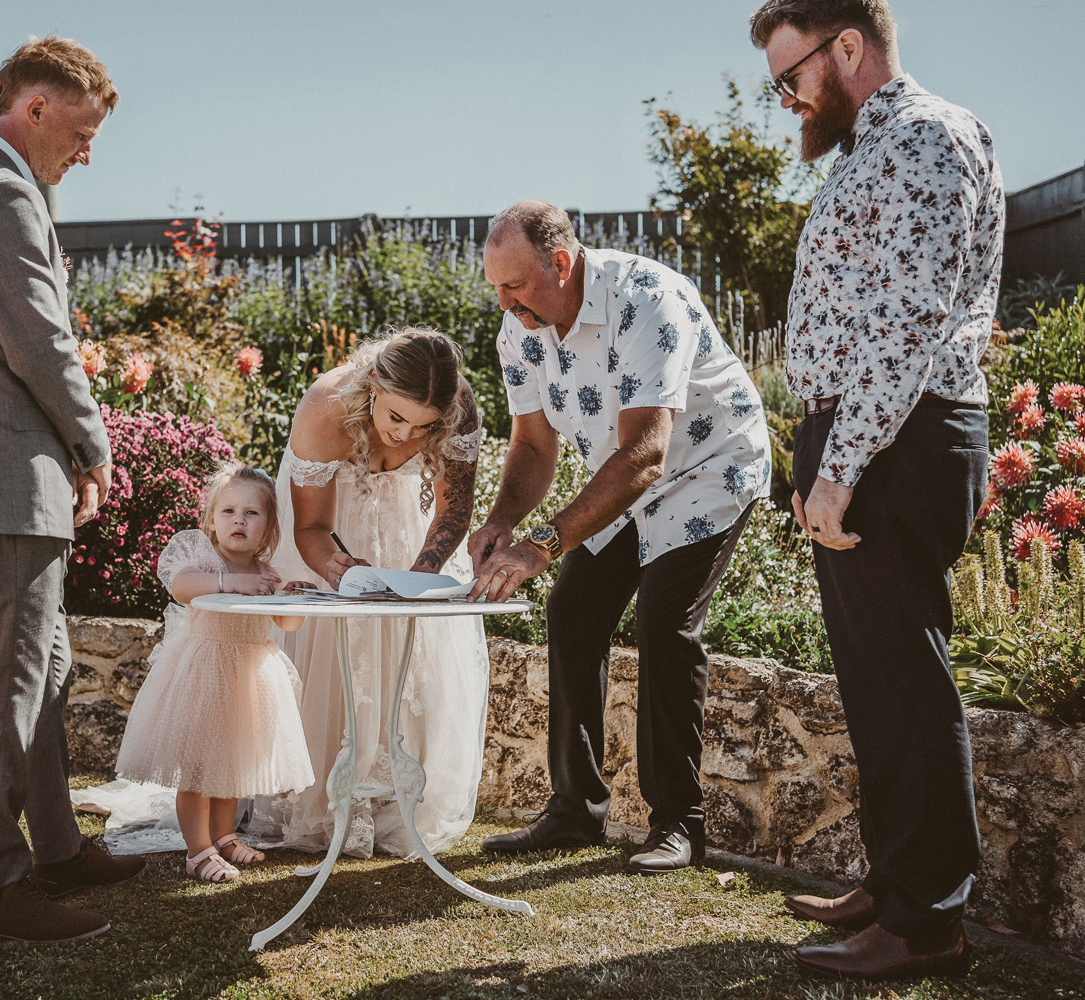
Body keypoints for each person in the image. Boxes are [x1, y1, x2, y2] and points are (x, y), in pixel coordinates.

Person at [749, 0, 1002, 979]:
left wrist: (841, 467)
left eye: (790, 75)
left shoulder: (927, 139)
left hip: (896, 440)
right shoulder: (872, 147)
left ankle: (928, 920)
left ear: (845, 46)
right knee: (875, 680)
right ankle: (897, 882)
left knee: (904, 677)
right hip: (869, 434)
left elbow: (906, 321)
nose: (786, 99)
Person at [0, 35, 144, 943]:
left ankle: (56, 847)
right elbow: (41, 344)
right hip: (5, 479)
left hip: (8, 476)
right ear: (35, 109)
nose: (87, 152)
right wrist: (95, 449)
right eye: (82, 132)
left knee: (40, 672)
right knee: (10, 686)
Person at [469, 201, 771, 874]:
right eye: (495, 285)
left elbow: (648, 454)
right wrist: (502, 523)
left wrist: (542, 545)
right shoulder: (520, 330)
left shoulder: (646, 298)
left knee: (664, 621)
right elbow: (531, 446)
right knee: (573, 610)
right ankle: (576, 811)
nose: (503, 301)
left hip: (708, 469)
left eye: (513, 284)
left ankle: (678, 826)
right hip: (624, 476)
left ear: (562, 263)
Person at [246, 327, 488, 858]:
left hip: (405, 522)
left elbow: (453, 509)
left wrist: (419, 578)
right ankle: (322, 795)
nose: (405, 437)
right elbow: (311, 528)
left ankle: (392, 795)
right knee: (331, 653)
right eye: (396, 417)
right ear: (375, 385)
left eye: (424, 427)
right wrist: (342, 574)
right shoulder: (327, 406)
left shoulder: (458, 406)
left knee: (410, 650)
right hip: (331, 532)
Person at [115, 464, 315, 882]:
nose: (238, 520)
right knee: (198, 768)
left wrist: (293, 599)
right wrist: (229, 583)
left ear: (269, 526)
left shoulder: (267, 574)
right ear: (211, 520)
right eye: (228, 511)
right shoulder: (203, 561)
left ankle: (224, 836)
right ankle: (198, 850)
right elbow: (182, 588)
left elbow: (288, 625)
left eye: (251, 513)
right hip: (203, 674)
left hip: (250, 680)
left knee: (232, 764)